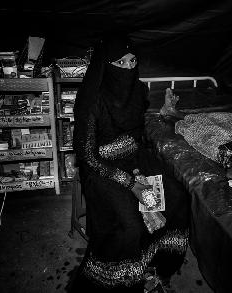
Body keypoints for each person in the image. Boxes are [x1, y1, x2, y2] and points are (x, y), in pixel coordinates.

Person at [72, 33, 189, 292]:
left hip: (135, 158)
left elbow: (139, 130)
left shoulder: (137, 90)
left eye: (133, 61)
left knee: (177, 197)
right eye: (121, 63)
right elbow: (87, 155)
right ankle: (122, 279)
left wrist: (165, 115)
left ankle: (156, 266)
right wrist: (130, 182)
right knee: (130, 223)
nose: (128, 68)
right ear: (106, 65)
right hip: (102, 169)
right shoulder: (92, 101)